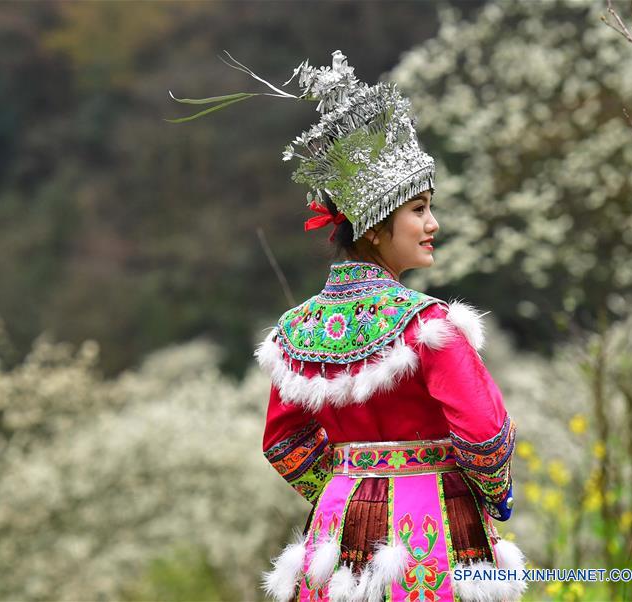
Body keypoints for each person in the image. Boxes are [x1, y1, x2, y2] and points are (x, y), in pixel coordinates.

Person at [171, 50, 524, 602]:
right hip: (431, 531)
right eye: (419, 209)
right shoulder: (430, 326)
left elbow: (284, 441)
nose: (433, 224)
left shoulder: (298, 330)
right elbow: (483, 435)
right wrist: (492, 497)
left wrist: (345, 486)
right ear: (377, 228)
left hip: (337, 536)